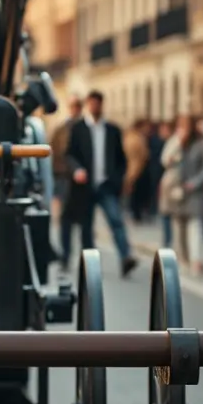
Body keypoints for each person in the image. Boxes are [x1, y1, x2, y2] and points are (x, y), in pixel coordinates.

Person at [63, 90, 138, 277]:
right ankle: (90, 263)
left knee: (116, 220)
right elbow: (69, 154)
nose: (95, 107)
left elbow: (121, 159)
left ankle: (125, 257)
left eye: (98, 103)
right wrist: (77, 169)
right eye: (92, 103)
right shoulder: (78, 129)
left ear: (102, 105)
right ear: (88, 105)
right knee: (86, 226)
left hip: (106, 185)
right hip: (85, 186)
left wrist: (118, 178)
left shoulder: (113, 130)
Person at [162, 114, 203, 275]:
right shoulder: (175, 142)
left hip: (194, 191)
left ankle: (196, 260)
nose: (183, 129)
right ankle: (182, 258)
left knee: (195, 226)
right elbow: (165, 161)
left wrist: (195, 183)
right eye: (180, 126)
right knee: (179, 226)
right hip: (176, 190)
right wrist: (178, 143)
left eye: (185, 126)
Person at [50, 96, 83, 271]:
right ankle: (65, 255)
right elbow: (55, 151)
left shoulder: (85, 128)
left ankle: (87, 257)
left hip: (82, 178)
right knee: (65, 218)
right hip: (64, 177)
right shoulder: (62, 129)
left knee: (85, 220)